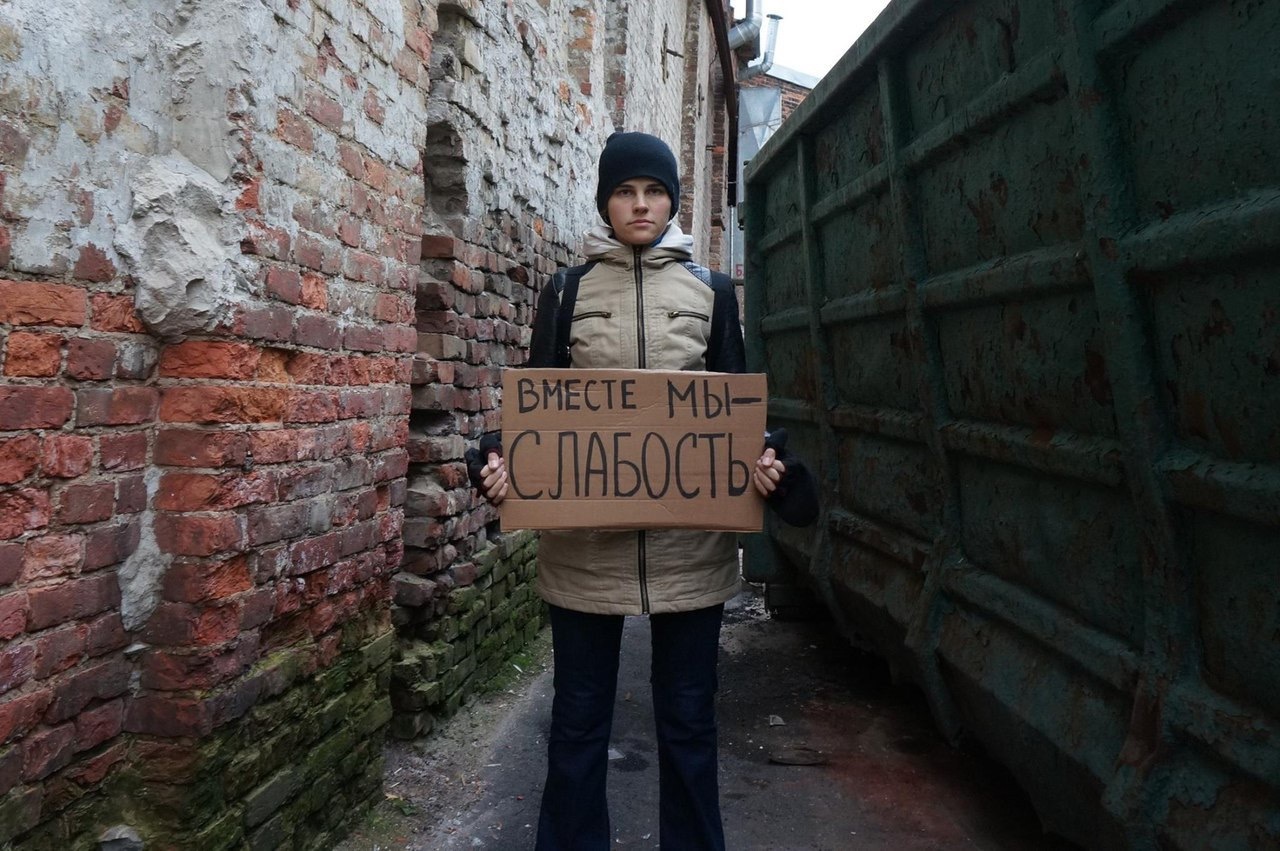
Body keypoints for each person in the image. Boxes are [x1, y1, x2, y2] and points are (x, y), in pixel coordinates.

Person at [467, 131, 817, 850]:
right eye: (625, 191)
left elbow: (738, 417)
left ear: (672, 201)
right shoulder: (565, 292)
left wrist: (765, 464)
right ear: (605, 201)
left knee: (690, 722)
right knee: (577, 722)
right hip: (584, 556)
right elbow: (533, 415)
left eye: (654, 191)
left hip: (691, 555)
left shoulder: (713, 293)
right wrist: (497, 465)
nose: (640, 204)